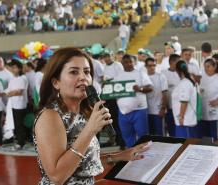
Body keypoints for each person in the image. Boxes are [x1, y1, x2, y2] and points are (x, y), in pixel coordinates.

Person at [33, 47, 150, 185]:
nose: (83, 77)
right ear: (56, 82)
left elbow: (83, 163)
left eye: (87, 72)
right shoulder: (50, 117)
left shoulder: (82, 113)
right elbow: (57, 176)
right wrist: (90, 130)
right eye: (74, 72)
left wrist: (120, 156)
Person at [172, 60, 197, 138]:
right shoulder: (186, 81)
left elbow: (184, 101)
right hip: (184, 120)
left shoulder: (185, 83)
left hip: (185, 121)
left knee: (185, 145)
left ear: (177, 70)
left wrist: (181, 117)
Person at [199, 58, 218, 141]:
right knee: (206, 137)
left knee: (215, 136)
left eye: (208, 66)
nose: (206, 69)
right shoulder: (203, 78)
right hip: (204, 113)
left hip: (215, 114)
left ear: (214, 67)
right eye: (205, 67)